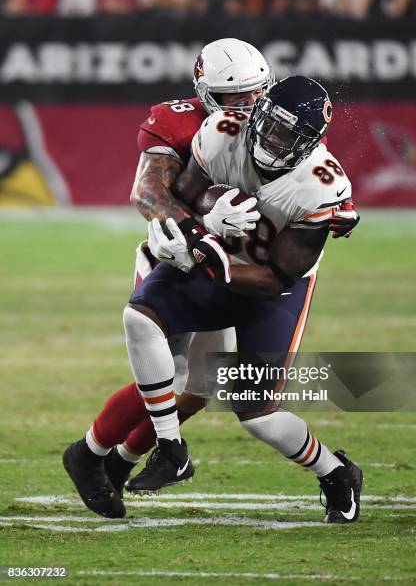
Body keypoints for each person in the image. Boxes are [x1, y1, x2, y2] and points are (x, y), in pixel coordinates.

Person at [123, 76, 363, 524]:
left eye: (287, 135)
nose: (272, 137)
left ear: (310, 143)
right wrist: (203, 224)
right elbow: (188, 193)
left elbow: (279, 276)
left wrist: (219, 262)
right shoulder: (222, 130)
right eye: (270, 123)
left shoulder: (320, 186)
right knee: (140, 317)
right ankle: (171, 448)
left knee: (256, 414)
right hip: (214, 257)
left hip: (270, 289)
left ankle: (336, 473)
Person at [62, 38, 273, 519]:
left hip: (231, 267)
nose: (251, 108)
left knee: (201, 386)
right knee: (169, 373)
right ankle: (89, 454)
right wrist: (196, 228)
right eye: (237, 100)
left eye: (258, 94)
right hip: (177, 258)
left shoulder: (277, 123)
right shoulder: (177, 121)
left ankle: (118, 462)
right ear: (206, 94)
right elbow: (149, 191)